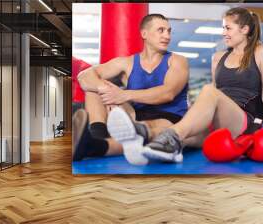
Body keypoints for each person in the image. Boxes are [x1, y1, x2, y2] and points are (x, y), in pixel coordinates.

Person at [113, 7, 263, 163]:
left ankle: (171, 137)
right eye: (223, 29)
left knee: (208, 90)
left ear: (244, 30)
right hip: (218, 123)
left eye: (228, 28)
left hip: (244, 121)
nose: (223, 33)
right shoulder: (218, 57)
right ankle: (146, 139)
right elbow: (216, 96)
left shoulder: (261, 52)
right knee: (189, 135)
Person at [73, 14, 189, 165]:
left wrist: (123, 95)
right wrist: (105, 90)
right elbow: (84, 76)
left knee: (146, 131)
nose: (167, 35)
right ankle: (98, 134)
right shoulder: (126, 63)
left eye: (169, 31)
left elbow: (168, 93)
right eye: (161, 30)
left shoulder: (178, 61)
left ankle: (93, 146)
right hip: (135, 116)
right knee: (94, 86)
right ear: (144, 34)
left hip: (168, 118)